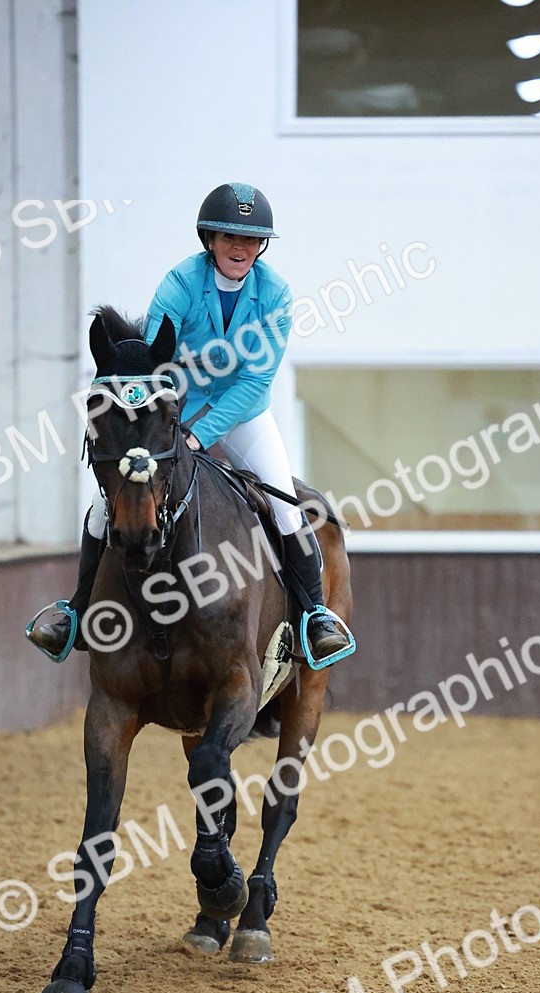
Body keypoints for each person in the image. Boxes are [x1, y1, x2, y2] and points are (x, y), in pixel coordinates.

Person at [27, 182, 351, 662]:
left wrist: (203, 433)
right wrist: (161, 420)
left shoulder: (277, 295)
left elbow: (254, 381)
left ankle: (315, 616)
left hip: (243, 415)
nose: (240, 248)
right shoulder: (179, 284)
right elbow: (157, 360)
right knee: (105, 507)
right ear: (210, 240)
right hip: (175, 408)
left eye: (250, 239)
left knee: (286, 507)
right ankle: (75, 613)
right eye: (228, 237)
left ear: (261, 246)